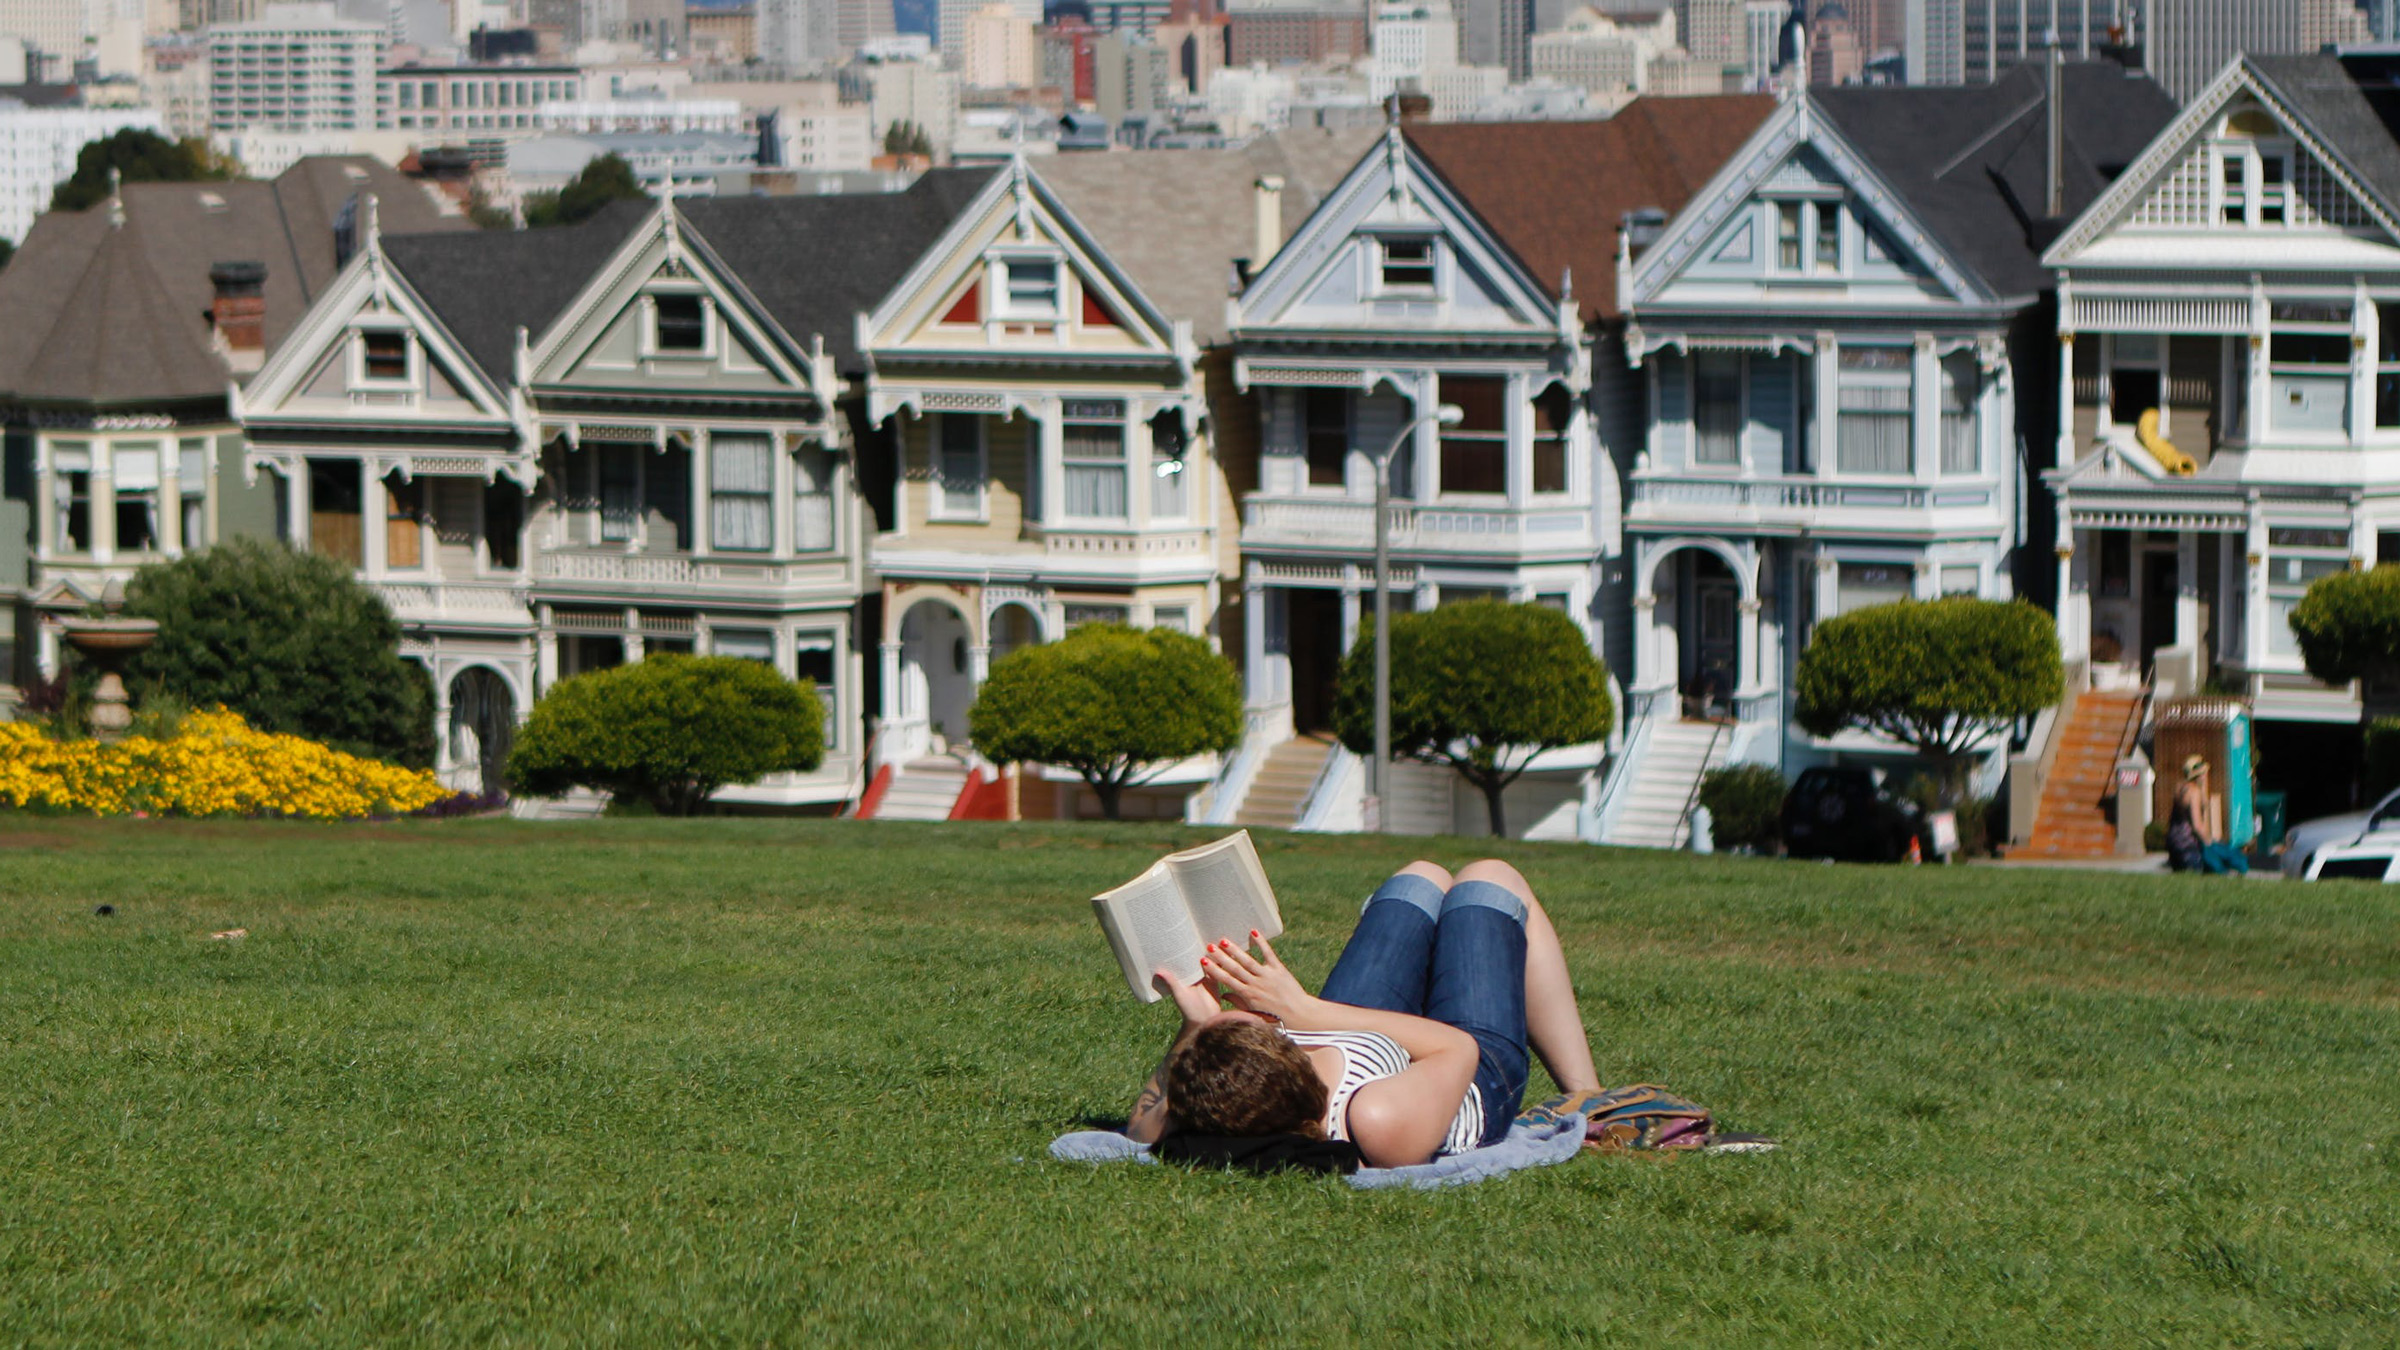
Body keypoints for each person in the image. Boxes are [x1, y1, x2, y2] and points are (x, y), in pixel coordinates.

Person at [1123, 859, 1603, 1168]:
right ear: (1290, 1054)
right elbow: (1456, 1047)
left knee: (1420, 878)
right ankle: (1588, 1092)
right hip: (1465, 1074)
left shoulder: (1214, 1104)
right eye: (1267, 1025)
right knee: (1492, 882)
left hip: (1352, 1036)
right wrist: (1305, 1009)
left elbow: (1141, 1125)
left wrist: (1194, 1024)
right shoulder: (1374, 1119)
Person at [2167, 754, 2248, 875]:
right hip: (2189, 847)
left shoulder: (2180, 788)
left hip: (2173, 845)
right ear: (2200, 774)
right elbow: (2197, 825)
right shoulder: (2194, 792)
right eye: (2204, 772)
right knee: (2226, 859)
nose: (2206, 775)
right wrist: (2210, 842)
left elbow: (2202, 804)